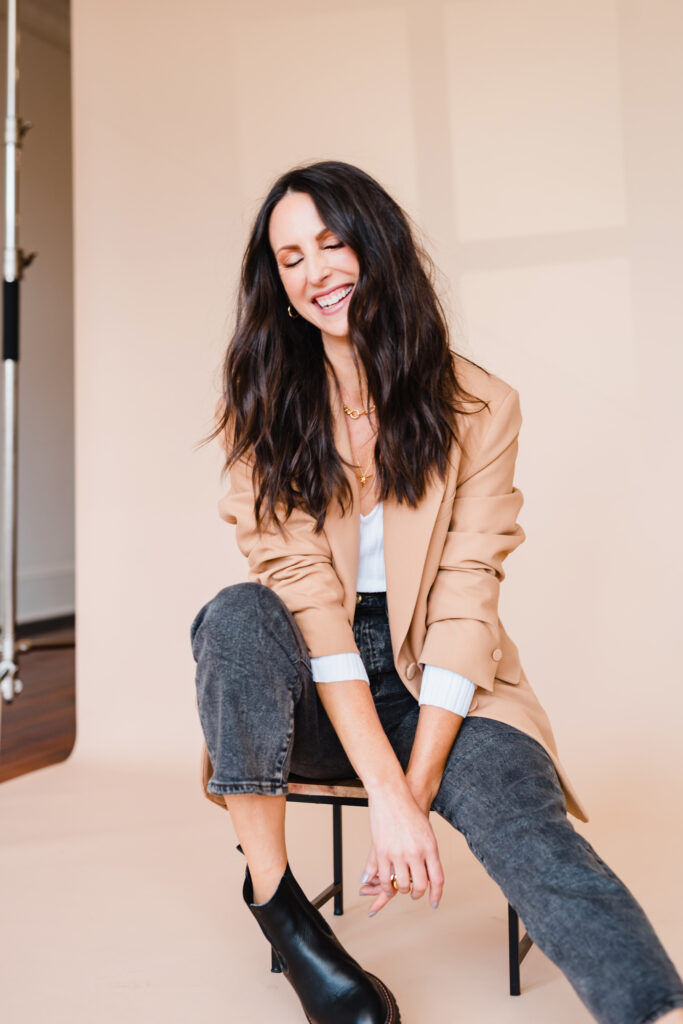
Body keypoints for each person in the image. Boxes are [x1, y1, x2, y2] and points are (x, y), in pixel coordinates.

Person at [190, 160, 683, 1024]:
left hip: (439, 682)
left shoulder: (480, 407)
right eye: (291, 256)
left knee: (533, 833)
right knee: (237, 615)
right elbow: (308, 600)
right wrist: (382, 794)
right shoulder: (262, 404)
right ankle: (281, 907)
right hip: (307, 681)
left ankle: (653, 1009)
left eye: (332, 244)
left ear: (377, 249)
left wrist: (409, 796)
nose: (315, 273)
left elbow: (466, 595)